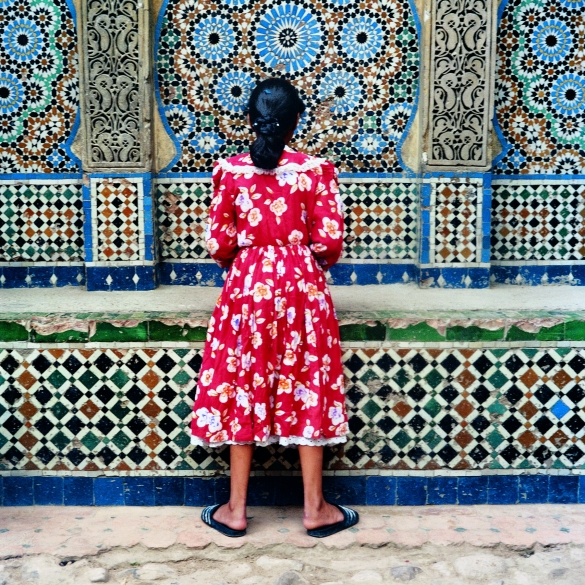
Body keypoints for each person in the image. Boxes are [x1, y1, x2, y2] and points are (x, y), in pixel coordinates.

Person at [191, 78, 358, 538]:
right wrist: (299, 259)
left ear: (251, 119)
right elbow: (329, 241)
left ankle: (236, 510)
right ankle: (315, 509)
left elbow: (218, 243)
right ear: (296, 122)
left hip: (246, 288)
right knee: (309, 383)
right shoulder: (317, 171)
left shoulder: (228, 171)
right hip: (302, 289)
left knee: (243, 385)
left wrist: (248, 260)